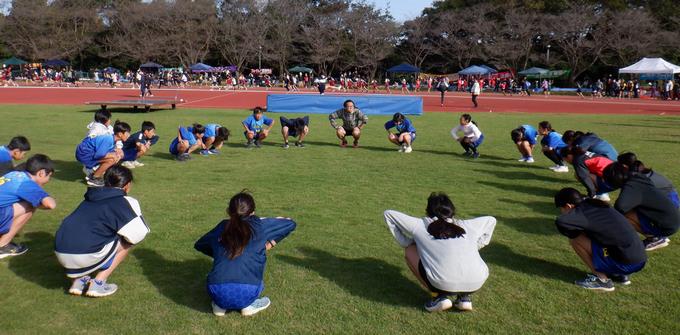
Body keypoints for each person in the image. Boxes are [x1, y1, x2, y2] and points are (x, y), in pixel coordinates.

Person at [384, 192, 496, 312]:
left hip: (443, 281)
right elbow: (491, 220)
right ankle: (464, 298)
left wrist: (407, 242)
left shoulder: (420, 225)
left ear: (428, 210)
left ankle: (438, 297)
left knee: (410, 250)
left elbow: (388, 214)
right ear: (452, 210)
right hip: (477, 280)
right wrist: (476, 245)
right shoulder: (467, 225)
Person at [194, 191, 296, 316]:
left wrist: (219, 253)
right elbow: (290, 223)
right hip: (249, 291)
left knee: (224, 287)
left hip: (216, 290)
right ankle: (247, 306)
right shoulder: (260, 225)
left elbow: (200, 244)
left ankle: (220, 306)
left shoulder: (222, 226)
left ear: (229, 211)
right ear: (252, 211)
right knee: (251, 282)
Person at [55, 165, 149, 297]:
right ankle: (98, 284)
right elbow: (138, 234)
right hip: (84, 254)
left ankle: (78, 281)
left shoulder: (90, 197)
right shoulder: (125, 201)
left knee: (89, 235)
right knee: (127, 241)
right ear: (127, 185)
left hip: (60, 251)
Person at [553, 187, 646, 291]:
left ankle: (602, 280)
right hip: (639, 259)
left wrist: (576, 232)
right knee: (594, 236)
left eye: (561, 208)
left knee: (576, 240)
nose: (561, 211)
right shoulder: (594, 203)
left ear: (568, 206)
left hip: (626, 263)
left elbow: (561, 222)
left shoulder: (581, 213)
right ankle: (618, 274)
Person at [603, 163, 680, 251]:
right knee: (628, 210)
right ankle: (655, 237)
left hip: (666, 226)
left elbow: (620, 207)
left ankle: (656, 238)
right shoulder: (638, 178)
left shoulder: (631, 186)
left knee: (622, 216)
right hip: (672, 219)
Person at [0, 154, 56, 258]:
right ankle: (2, 246)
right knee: (30, 205)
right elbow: (51, 204)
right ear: (41, 173)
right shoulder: (27, 183)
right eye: (49, 176)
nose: (48, 180)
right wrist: (39, 202)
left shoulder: (14, 174)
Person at [76, 121, 131, 187]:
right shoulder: (108, 139)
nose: (129, 136)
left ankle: (94, 175)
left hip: (86, 153)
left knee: (113, 158)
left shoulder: (112, 140)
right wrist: (114, 154)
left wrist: (116, 152)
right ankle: (94, 178)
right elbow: (99, 155)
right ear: (120, 134)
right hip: (83, 154)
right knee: (113, 158)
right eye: (127, 133)